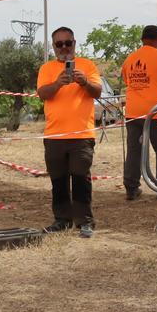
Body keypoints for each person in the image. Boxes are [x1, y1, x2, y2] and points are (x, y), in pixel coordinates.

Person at [36, 27, 103, 238]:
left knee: (81, 178)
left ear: (75, 43)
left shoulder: (88, 65)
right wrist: (57, 83)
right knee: (58, 179)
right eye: (59, 44)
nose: (64, 47)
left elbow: (97, 92)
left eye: (68, 43)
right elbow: (42, 94)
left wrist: (84, 82)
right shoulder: (46, 68)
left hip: (82, 135)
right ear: (53, 47)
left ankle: (85, 221)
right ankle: (62, 220)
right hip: (54, 135)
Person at [120, 25, 157, 200]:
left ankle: (131, 188)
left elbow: (127, 80)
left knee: (134, 151)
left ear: (142, 40)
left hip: (133, 113)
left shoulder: (130, 59)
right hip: (156, 113)